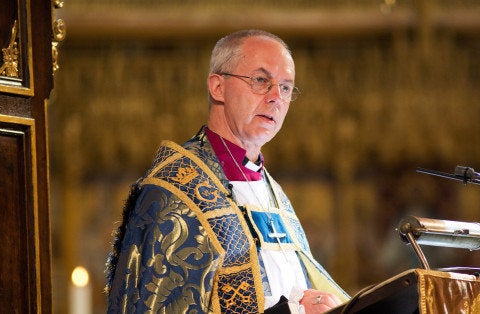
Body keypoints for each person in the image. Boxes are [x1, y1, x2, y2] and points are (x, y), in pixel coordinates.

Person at [105, 29, 349, 313]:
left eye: (285, 87)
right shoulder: (173, 192)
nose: (276, 98)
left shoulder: (273, 194)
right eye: (260, 80)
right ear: (217, 87)